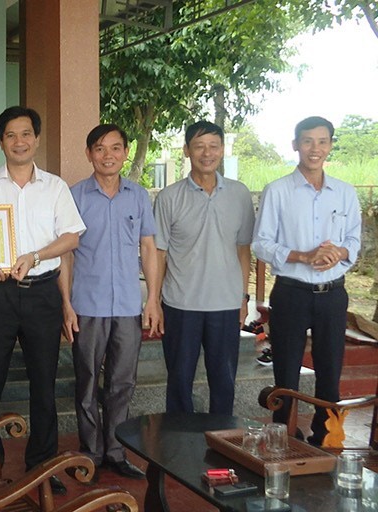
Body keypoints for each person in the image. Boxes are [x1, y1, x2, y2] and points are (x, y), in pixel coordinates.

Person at [0, 106, 86, 495]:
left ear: (36, 139)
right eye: (11, 135)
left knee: (44, 385)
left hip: (43, 295)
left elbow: (72, 237)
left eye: (26, 134)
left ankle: (43, 464)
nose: (20, 141)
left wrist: (35, 255)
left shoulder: (54, 187)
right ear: (1, 141)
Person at [58, 124, 162, 480]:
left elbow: (148, 248)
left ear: (125, 153)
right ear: (89, 154)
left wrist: (153, 300)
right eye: (100, 149)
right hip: (87, 304)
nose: (108, 156)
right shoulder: (74, 196)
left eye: (116, 148)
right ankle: (91, 452)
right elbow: (66, 255)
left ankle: (116, 451)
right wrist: (66, 304)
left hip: (129, 306)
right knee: (86, 381)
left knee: (122, 383)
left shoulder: (138, 195)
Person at [252, 116, 361, 445]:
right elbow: (261, 243)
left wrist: (339, 252)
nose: (315, 148)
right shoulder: (278, 191)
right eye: (308, 141)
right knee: (286, 370)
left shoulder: (344, 192)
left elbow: (355, 240)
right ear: (295, 145)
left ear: (330, 145)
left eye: (323, 141)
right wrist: (304, 255)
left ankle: (326, 437)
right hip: (291, 293)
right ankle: (282, 435)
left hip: (332, 295)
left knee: (330, 370)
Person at [154, 120, 254, 415]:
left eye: (213, 146)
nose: (206, 153)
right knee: (179, 381)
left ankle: (222, 446)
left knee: (224, 383)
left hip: (225, 304)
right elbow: (158, 253)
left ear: (222, 150)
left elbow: (243, 250)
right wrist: (155, 303)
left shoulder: (239, 194)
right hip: (180, 304)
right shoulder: (169, 197)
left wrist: (242, 299)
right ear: (187, 150)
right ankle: (178, 448)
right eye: (199, 146)